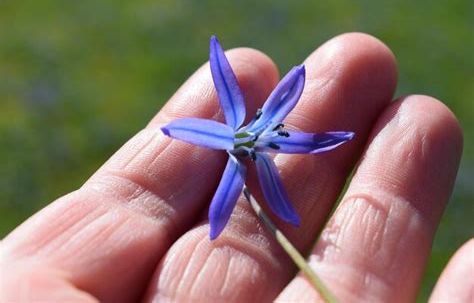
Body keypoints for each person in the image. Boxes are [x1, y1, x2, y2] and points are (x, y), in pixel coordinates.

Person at [0, 33, 470, 302]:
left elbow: (304, 151)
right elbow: (191, 132)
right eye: (246, 142)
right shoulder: (235, 152)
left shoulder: (254, 156)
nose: (250, 143)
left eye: (257, 141)